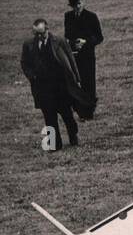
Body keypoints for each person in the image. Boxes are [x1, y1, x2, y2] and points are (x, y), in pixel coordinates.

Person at [21, 18, 87, 150]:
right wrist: (32, 76)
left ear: (47, 29)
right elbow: (25, 63)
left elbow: (71, 60)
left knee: (66, 114)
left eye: (41, 33)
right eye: (36, 34)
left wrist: (77, 79)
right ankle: (54, 144)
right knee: (49, 116)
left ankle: (73, 134)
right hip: (42, 87)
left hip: (60, 86)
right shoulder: (28, 44)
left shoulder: (59, 41)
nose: (39, 36)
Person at [63, 0, 102, 118]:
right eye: (75, 5)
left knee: (89, 83)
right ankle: (80, 110)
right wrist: (72, 43)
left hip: (88, 56)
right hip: (73, 56)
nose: (78, 7)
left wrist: (86, 42)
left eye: (79, 4)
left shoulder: (91, 17)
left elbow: (99, 37)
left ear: (83, 2)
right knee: (76, 83)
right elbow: (67, 35)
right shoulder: (68, 16)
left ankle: (89, 111)